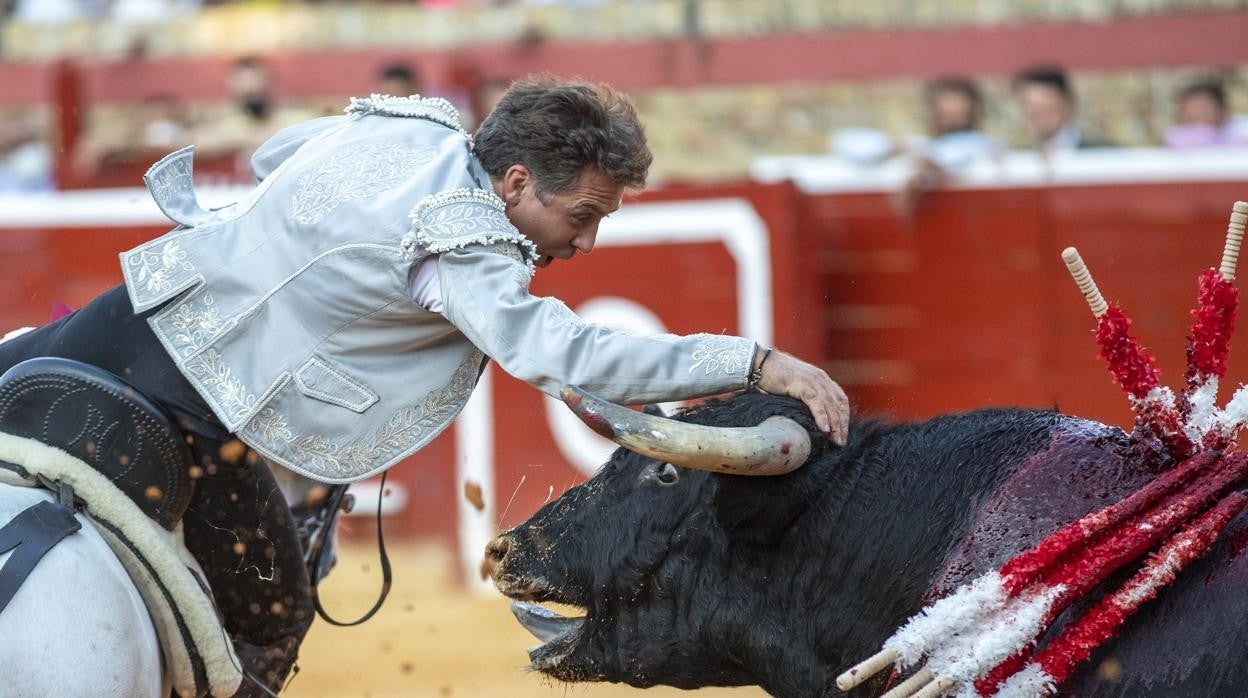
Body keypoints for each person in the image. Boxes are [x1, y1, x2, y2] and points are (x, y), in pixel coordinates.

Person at [0, 75, 849, 696]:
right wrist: (753, 362)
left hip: (112, 324)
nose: (585, 242)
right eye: (582, 215)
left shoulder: (410, 127)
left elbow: (276, 152)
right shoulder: (461, 246)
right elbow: (567, 354)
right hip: (200, 422)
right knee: (265, 631)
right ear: (515, 184)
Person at [1013, 65, 1115, 152]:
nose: (1038, 113)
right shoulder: (1016, 158)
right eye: (1030, 106)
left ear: (1067, 104)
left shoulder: (1103, 153)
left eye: (1046, 104)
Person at [1164, 79, 1248, 149]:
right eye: (1191, 110)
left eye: (1203, 108)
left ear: (1222, 109)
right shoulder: (1177, 136)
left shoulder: (1241, 131)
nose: (1198, 114)